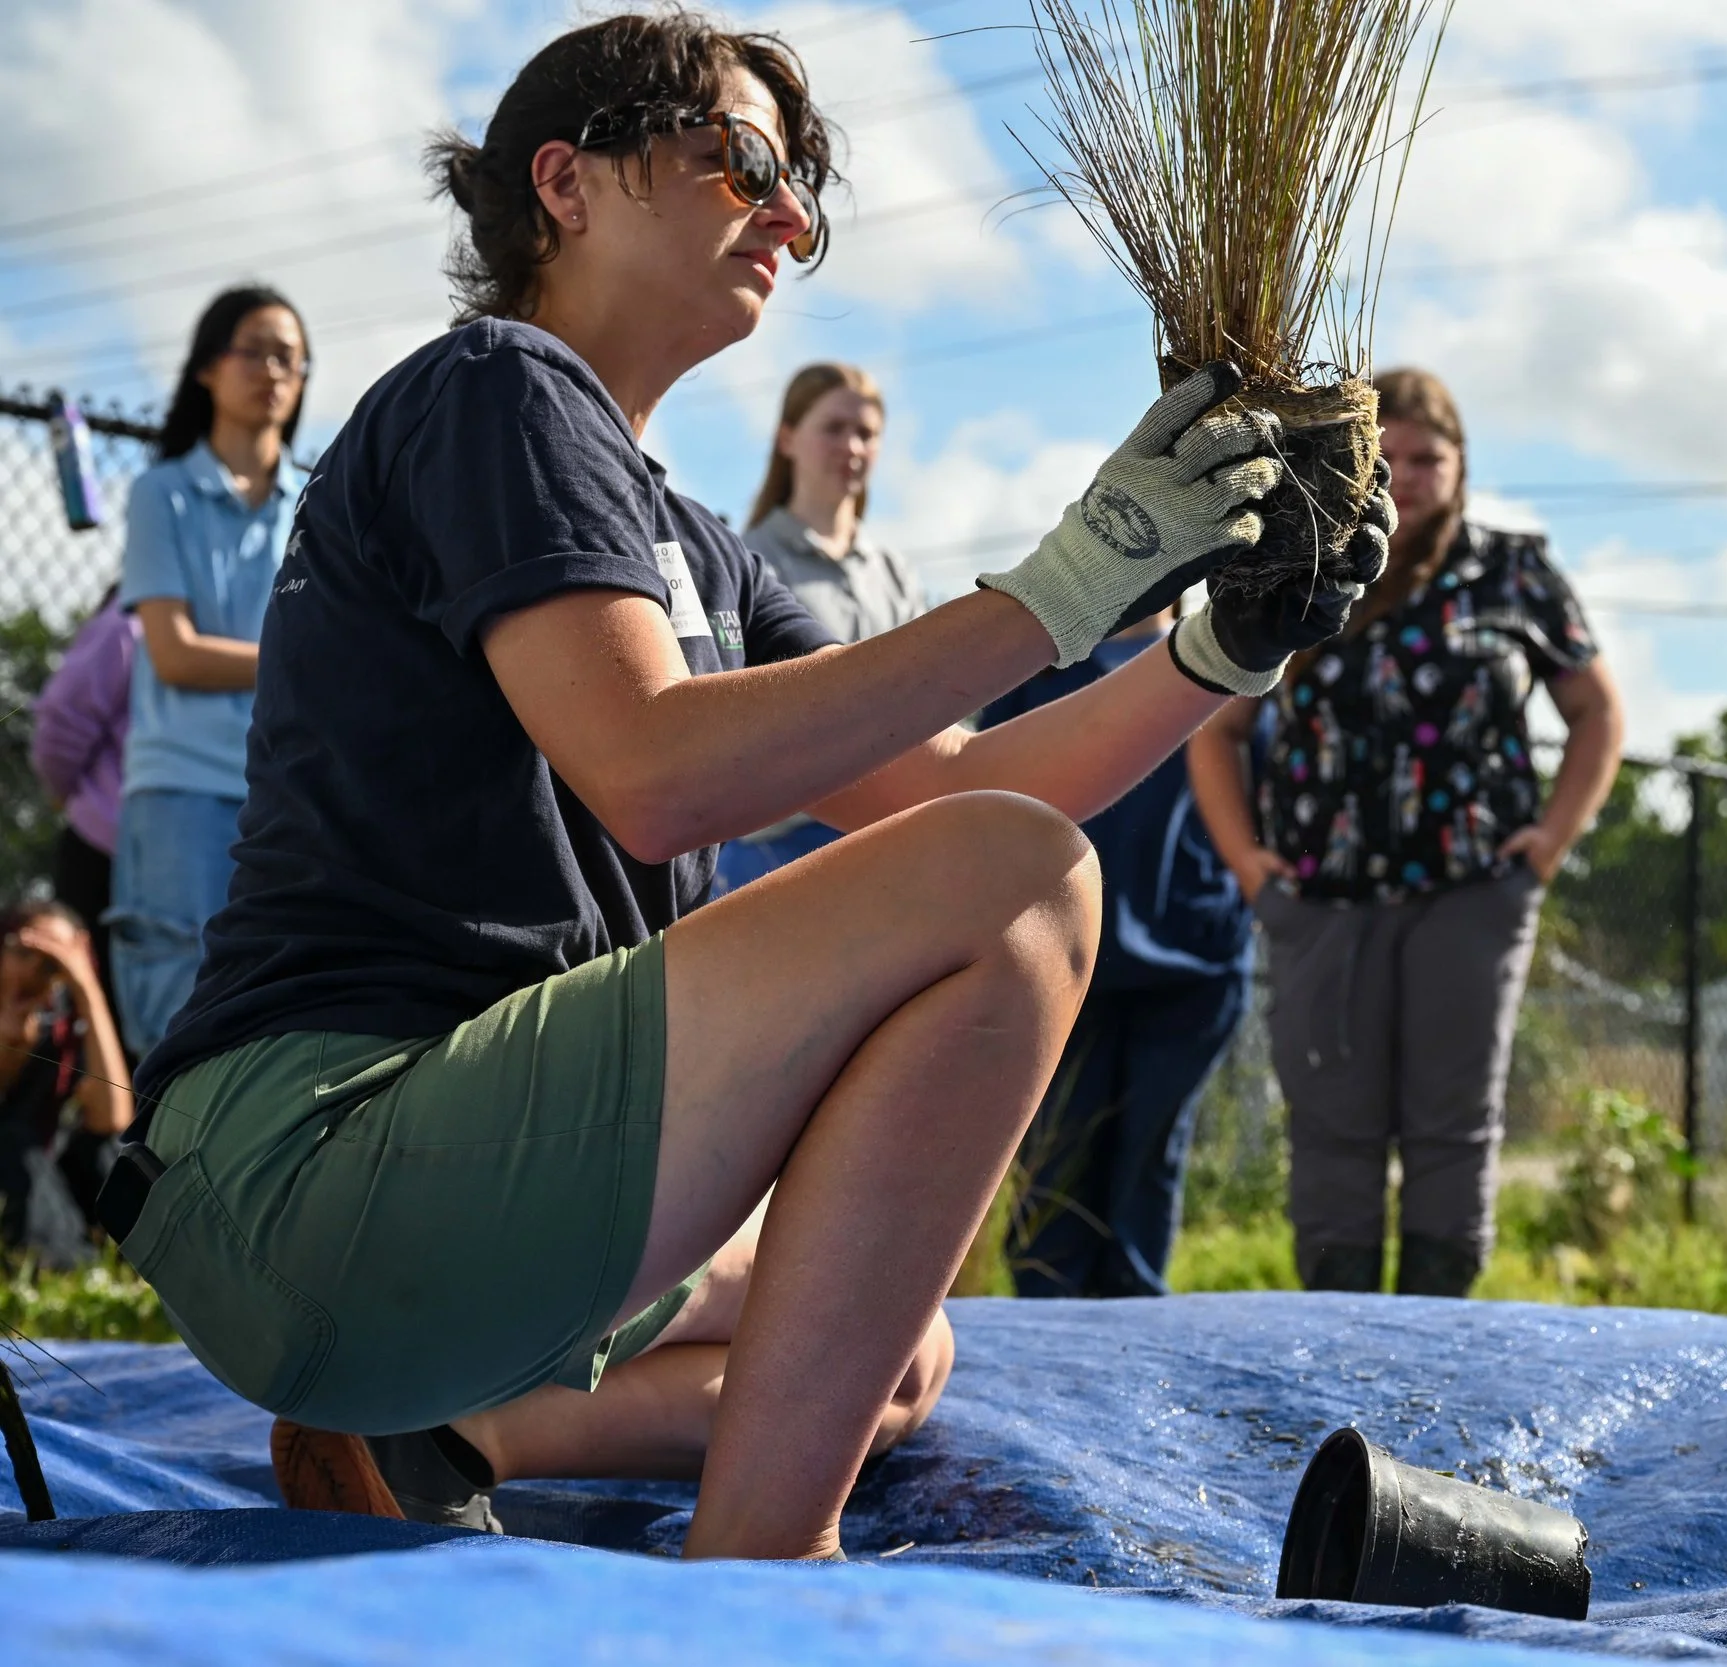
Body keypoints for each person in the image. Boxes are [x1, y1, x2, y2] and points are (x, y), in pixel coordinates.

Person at [105, 12, 1381, 1561]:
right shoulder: (495, 390)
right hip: (323, 1159)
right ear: (566, 183)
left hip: (464, 1193)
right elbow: (654, 770)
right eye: (745, 162)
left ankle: (446, 1437)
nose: (786, 215)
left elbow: (964, 780)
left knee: (888, 1347)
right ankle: (770, 1580)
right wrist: (1064, 586)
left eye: (803, 196)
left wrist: (1217, 652)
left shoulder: (699, 544)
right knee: (1023, 887)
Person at [1190, 367, 1626, 1300]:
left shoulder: (1512, 570)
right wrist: (1249, 865)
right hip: (1320, 898)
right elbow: (1215, 727)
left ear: (1461, 465)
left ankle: (1437, 1337)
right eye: (1386, 454)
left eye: (1429, 456)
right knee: (1331, 1125)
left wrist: (1548, 845)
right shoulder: (1301, 565)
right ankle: (1339, 1339)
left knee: (1452, 1121)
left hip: (1471, 891)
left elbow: (1597, 712)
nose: (1409, 474)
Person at [985, 605, 1256, 1298]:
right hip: (1062, 965)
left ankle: (1135, 1334)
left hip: (1192, 962)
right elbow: (987, 800)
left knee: (1148, 1166)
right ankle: (1047, 1337)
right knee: (1055, 1169)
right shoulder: (1037, 672)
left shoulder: (1231, 654)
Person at [111, 285, 309, 1060]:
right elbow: (175, 653)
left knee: (273, 1014)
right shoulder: (159, 493)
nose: (273, 371)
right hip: (181, 788)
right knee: (174, 1021)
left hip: (286, 791)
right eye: (254, 351)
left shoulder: (318, 503)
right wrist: (298, 660)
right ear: (206, 368)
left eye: (289, 357)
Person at [715, 361, 922, 892]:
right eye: (833, 428)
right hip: (777, 853)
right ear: (787, 438)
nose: (851, 446)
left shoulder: (893, 573)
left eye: (866, 433)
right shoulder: (747, 561)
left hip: (893, 838)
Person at [0, 901, 133, 1266]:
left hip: (51, 1171)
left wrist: (87, 990)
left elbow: (113, 1119)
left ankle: (137, 1253)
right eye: (25, 952)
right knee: (15, 1142)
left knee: (109, 1151)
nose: (37, 970)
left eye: (53, 962)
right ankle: (58, 1265)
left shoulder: (68, 1025)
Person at [32, 584, 141, 1028]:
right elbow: (62, 721)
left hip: (165, 854)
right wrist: (75, 796)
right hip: (101, 850)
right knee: (86, 1009)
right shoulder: (130, 620)